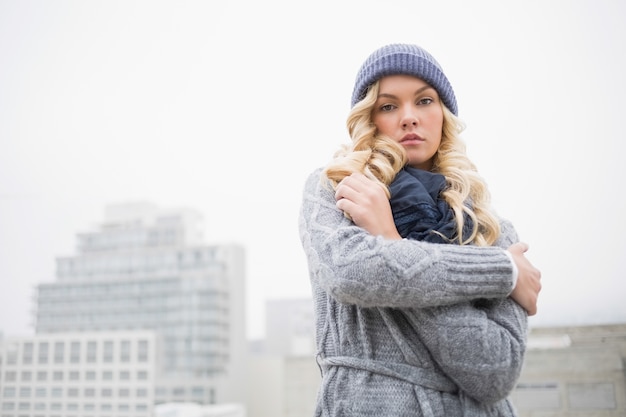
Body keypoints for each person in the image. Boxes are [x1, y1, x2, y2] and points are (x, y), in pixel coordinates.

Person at [298, 43, 542, 416]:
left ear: (443, 114)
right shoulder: (336, 187)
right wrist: (500, 271)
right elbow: (349, 273)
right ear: (369, 118)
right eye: (389, 105)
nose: (409, 117)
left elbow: (495, 375)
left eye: (425, 101)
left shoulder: (492, 230)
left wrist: (389, 241)